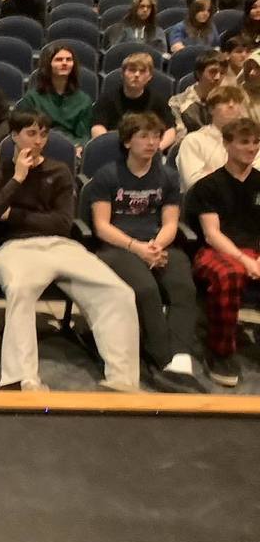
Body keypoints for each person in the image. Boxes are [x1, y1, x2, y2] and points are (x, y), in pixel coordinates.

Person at [0, 110, 140, 392]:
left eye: (43, 134)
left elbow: (62, 223)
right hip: (15, 248)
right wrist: (17, 179)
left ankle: (122, 380)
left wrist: (12, 213)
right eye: (31, 133)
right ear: (14, 136)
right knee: (21, 289)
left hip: (60, 245)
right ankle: (21, 379)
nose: (38, 141)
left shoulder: (59, 171)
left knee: (118, 291)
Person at [84, 112, 203, 393]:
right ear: (127, 141)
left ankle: (181, 360)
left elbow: (171, 222)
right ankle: (164, 360)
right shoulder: (108, 175)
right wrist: (137, 248)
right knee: (146, 289)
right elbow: (101, 226)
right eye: (144, 136)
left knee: (183, 288)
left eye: (156, 137)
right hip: (117, 246)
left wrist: (157, 246)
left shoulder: (168, 177)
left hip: (157, 244)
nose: (152, 143)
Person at [186, 117, 260, 385]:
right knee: (230, 274)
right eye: (244, 142)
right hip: (215, 251)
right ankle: (220, 350)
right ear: (227, 144)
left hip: (254, 252)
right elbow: (212, 233)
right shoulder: (209, 185)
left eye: (255, 142)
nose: (251, 148)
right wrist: (245, 260)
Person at [177, 86, 260, 190]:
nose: (231, 105)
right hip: (205, 203)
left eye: (236, 101)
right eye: (225, 102)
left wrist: (212, 174)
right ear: (211, 109)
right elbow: (194, 183)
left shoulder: (253, 142)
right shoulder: (194, 141)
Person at [90, 53, 176, 150]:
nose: (137, 75)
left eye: (142, 71)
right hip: (113, 150)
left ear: (150, 76)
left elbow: (170, 130)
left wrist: (156, 148)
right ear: (122, 73)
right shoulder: (107, 99)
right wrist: (109, 147)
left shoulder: (158, 100)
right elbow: (97, 127)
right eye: (132, 70)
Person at [17, 43, 91, 151]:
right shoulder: (32, 98)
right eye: (59, 59)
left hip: (70, 149)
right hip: (38, 147)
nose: (64, 63)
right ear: (48, 64)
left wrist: (78, 147)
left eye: (69, 59)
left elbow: (83, 136)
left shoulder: (84, 100)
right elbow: (22, 129)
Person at [169, 50, 228, 140]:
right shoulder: (178, 103)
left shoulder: (230, 102)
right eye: (213, 72)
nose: (218, 77)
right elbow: (180, 138)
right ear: (198, 73)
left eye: (222, 73)